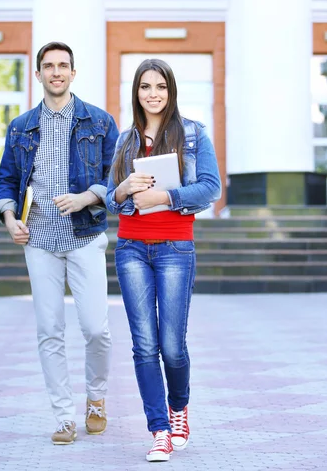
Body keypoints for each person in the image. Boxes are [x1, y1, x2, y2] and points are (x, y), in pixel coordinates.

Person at [0, 41, 119, 444]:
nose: (56, 72)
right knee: (49, 329)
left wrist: (85, 197)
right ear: (39, 74)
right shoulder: (21, 126)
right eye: (49, 66)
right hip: (40, 239)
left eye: (63, 65)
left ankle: (95, 398)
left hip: (86, 236)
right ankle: (64, 416)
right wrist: (11, 218)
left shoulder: (100, 122)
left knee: (96, 329)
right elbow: (7, 180)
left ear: (73, 73)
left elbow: (115, 180)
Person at [106, 58, 221, 462]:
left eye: (160, 86)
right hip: (131, 248)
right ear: (136, 92)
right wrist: (122, 188)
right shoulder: (124, 141)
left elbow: (211, 187)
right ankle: (158, 430)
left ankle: (179, 409)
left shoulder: (192, 134)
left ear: (170, 91)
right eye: (144, 87)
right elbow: (109, 197)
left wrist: (165, 197)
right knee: (143, 345)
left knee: (172, 345)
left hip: (175, 248)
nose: (152, 94)